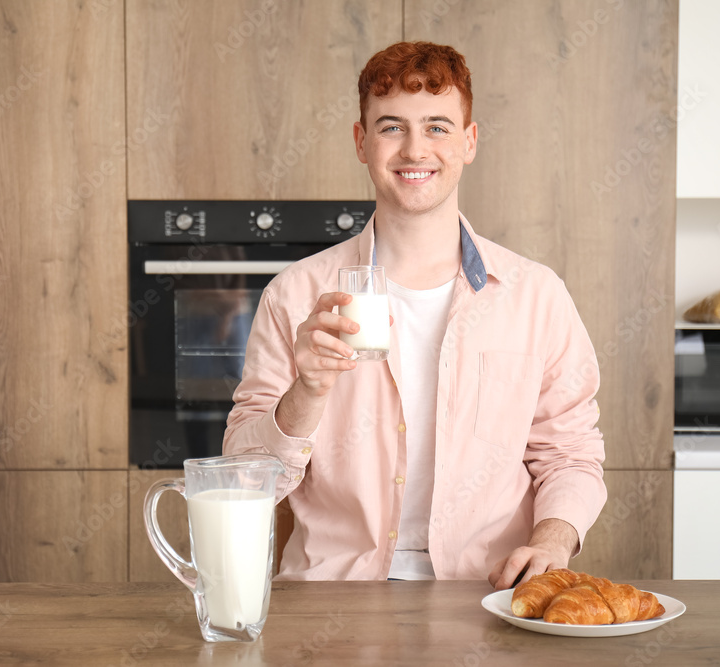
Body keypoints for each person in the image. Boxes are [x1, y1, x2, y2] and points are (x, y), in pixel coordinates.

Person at [223, 41, 606, 589]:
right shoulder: (295, 295)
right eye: (391, 127)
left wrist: (551, 539)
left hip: (487, 593)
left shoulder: (535, 295)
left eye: (438, 127)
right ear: (362, 142)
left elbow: (571, 453)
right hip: (336, 601)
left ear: (469, 142)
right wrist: (306, 392)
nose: (415, 149)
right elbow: (242, 484)